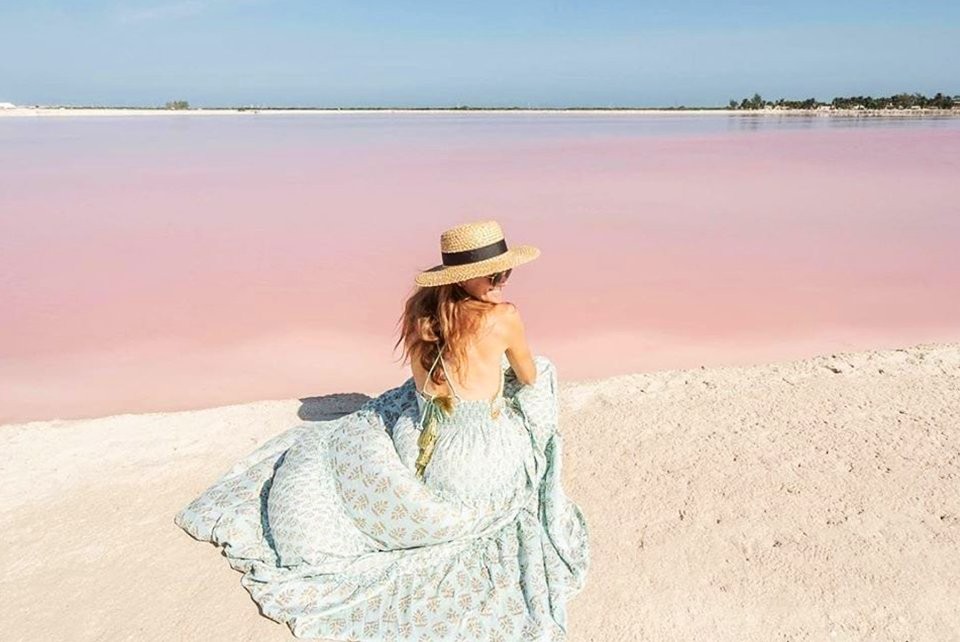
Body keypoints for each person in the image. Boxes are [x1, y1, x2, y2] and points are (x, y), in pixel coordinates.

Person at [174, 219, 590, 641]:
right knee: (545, 378)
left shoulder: (423, 315)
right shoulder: (504, 317)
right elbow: (530, 375)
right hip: (476, 461)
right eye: (496, 273)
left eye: (506, 272)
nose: (503, 280)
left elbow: (429, 387)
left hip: (423, 446)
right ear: (468, 278)